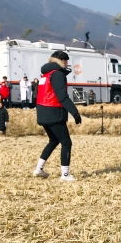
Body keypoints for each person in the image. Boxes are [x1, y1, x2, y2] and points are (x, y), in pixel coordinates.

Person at [32, 50, 82, 181]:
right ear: (62, 61)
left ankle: (39, 169)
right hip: (54, 112)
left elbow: (37, 95)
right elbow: (62, 96)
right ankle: (65, 174)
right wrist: (75, 112)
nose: (67, 64)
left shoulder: (45, 75)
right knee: (66, 142)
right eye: (66, 61)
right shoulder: (58, 74)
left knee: (54, 141)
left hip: (42, 112)